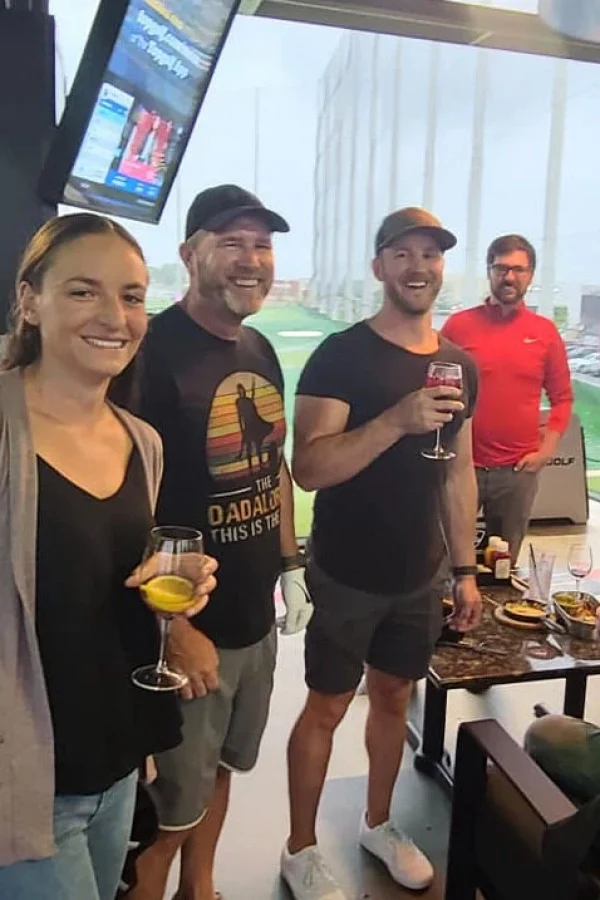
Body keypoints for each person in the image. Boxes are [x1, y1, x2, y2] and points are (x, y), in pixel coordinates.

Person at [0, 213, 217, 900]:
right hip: (28, 785)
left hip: (118, 760)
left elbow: (105, 587)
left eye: (131, 296)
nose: (115, 316)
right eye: (83, 292)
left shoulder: (140, 441)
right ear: (30, 301)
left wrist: (171, 605)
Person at [280, 206, 482, 899]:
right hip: (346, 571)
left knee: (395, 698)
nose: (418, 267)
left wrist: (464, 571)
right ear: (379, 267)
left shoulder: (460, 366)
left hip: (418, 574)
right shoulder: (341, 354)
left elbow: (458, 471)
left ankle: (378, 822)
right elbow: (309, 467)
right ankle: (300, 848)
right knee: (328, 708)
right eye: (403, 254)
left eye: (430, 255)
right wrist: (395, 421)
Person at [124, 184, 313, 900]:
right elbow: (120, 508)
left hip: (252, 620)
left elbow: (272, 466)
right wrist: (173, 629)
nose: (251, 259)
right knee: (169, 813)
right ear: (189, 253)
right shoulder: (152, 355)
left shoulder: (260, 347)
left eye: (261, 244)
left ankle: (201, 890)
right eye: (231, 242)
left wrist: (291, 565)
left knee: (225, 770)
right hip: (188, 630)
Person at [442, 234, 573, 566]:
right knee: (443, 561)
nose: (509, 277)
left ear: (530, 275)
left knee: (501, 565)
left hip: (516, 472)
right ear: (489, 271)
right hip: (460, 467)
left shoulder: (544, 333)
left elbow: (562, 398)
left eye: (518, 269)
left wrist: (547, 450)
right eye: (501, 268)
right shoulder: (459, 326)